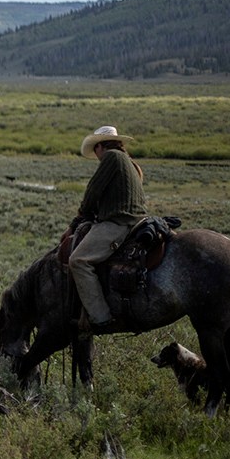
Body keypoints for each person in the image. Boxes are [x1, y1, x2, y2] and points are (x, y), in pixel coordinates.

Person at [68, 125, 148, 329]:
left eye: (95, 149)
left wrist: (82, 215)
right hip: (137, 220)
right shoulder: (130, 162)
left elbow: (93, 190)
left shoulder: (111, 157)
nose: (96, 154)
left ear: (100, 146)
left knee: (78, 261)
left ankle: (100, 318)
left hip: (119, 222)